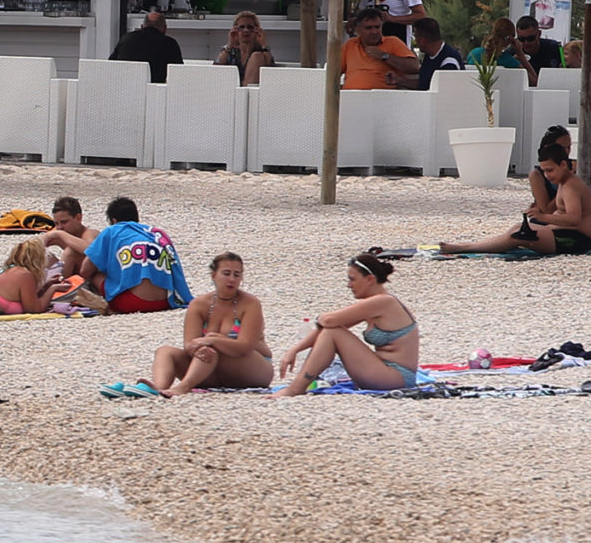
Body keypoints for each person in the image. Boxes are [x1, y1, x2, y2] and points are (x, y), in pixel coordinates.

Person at [274, 251, 418, 396]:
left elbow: (330, 321)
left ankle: (295, 389)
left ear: (369, 279)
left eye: (352, 279)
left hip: (396, 377)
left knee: (333, 332)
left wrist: (321, 317)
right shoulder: (376, 304)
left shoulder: (383, 302)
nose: (349, 285)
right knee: (332, 330)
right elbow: (330, 325)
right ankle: (297, 387)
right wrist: (295, 350)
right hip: (387, 372)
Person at [142, 253, 270, 397]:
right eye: (226, 273)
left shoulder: (250, 304)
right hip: (209, 369)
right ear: (213, 275)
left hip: (251, 368)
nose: (232, 279)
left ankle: (183, 387)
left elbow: (245, 347)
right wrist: (198, 348)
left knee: (211, 346)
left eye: (237, 275)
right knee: (165, 351)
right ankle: (158, 388)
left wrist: (213, 340)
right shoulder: (199, 304)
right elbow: (190, 344)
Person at [441, 138, 591, 256]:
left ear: (563, 165)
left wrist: (543, 217)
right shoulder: (564, 182)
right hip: (566, 233)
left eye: (550, 170)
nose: (547, 176)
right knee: (517, 228)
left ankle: (464, 248)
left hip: (577, 239)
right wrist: (538, 211)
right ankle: (468, 246)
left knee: (518, 235)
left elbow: (573, 219)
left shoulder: (571, 186)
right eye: (544, 171)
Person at [71, 195, 187, 314]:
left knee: (94, 273)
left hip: (133, 303)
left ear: (114, 221)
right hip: (166, 301)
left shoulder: (111, 231)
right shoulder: (156, 233)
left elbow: (85, 271)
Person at [339, 6, 416, 91]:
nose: (374, 32)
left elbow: (414, 67)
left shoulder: (393, 42)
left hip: (383, 98)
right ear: (358, 30)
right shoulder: (350, 45)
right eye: (369, 28)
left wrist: (384, 56)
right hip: (350, 98)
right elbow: (334, 72)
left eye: (377, 27)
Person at [109, 7, 185, 85]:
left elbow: (111, 63)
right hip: (156, 91)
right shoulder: (170, 44)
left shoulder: (126, 39)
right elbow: (178, 72)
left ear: (142, 26)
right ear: (165, 29)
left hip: (125, 87)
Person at [27, 194, 94, 274]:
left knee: (70, 252)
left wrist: (60, 234)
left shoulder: (89, 233)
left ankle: (57, 281)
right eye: (56, 223)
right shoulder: (61, 233)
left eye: (64, 222)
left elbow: (91, 250)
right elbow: (32, 247)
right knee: (44, 256)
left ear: (78, 218)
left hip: (91, 276)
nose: (59, 227)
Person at [215, 11, 275, 86]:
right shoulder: (230, 50)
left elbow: (270, 69)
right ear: (235, 29)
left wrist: (263, 43)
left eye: (250, 27)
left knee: (257, 56)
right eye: (242, 27)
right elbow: (216, 67)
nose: (246, 30)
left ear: (256, 30)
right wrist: (230, 44)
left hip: (253, 92)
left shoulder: (261, 51)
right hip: (229, 90)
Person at [411, 16, 465, 90]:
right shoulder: (429, 54)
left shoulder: (449, 61)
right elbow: (423, 84)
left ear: (423, 41)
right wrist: (399, 81)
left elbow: (445, 91)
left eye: (416, 38)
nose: (415, 42)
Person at [510, 14, 563, 85]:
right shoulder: (513, 52)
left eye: (530, 38)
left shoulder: (553, 48)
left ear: (539, 34)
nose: (526, 43)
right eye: (521, 39)